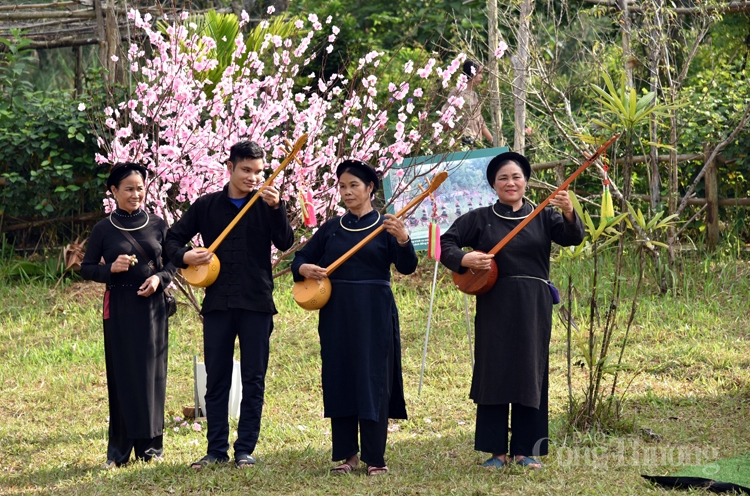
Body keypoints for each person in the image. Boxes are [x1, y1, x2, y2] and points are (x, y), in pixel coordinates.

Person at [439, 151, 584, 469]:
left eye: (516, 176)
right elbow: (446, 243)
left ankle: (526, 450)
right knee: (495, 372)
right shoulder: (479, 218)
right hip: (494, 302)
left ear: (526, 182)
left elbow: (572, 238)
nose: (510, 182)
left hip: (533, 304)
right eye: (503, 177)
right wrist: (465, 260)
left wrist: (570, 211)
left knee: (530, 372)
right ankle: (496, 452)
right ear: (493, 184)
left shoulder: (544, 216)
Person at [165, 141, 294, 469]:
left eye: (257, 171)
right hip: (218, 304)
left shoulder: (266, 204)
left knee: (254, 377)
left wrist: (278, 207)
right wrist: (186, 256)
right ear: (231, 168)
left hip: (257, 302)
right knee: (217, 377)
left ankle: (245, 449)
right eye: (246, 170)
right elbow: (171, 240)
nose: (253, 177)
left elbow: (285, 242)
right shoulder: (207, 206)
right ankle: (216, 449)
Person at [291, 159, 417, 476]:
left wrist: (403, 239)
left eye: (354, 186)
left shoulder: (387, 226)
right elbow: (301, 259)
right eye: (343, 186)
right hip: (337, 313)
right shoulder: (332, 228)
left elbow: (407, 267)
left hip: (375, 311)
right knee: (341, 377)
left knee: (373, 380)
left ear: (370, 188)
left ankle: (376, 457)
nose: (347, 192)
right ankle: (348, 455)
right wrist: (305, 268)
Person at [80, 162, 176, 469]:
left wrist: (160, 278)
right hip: (119, 307)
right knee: (121, 374)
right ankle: (119, 451)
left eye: (140, 188)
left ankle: (151, 448)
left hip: (153, 307)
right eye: (128, 189)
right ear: (113, 191)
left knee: (152, 375)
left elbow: (174, 263)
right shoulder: (103, 229)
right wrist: (111, 269)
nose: (136, 194)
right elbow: (86, 268)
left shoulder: (158, 224)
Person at [442, 59, 494, 146]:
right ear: (471, 72)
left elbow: (480, 120)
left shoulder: (474, 95)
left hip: (476, 140)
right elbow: (446, 114)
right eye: (479, 73)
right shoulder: (457, 92)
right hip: (461, 139)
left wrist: (492, 140)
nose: (481, 77)